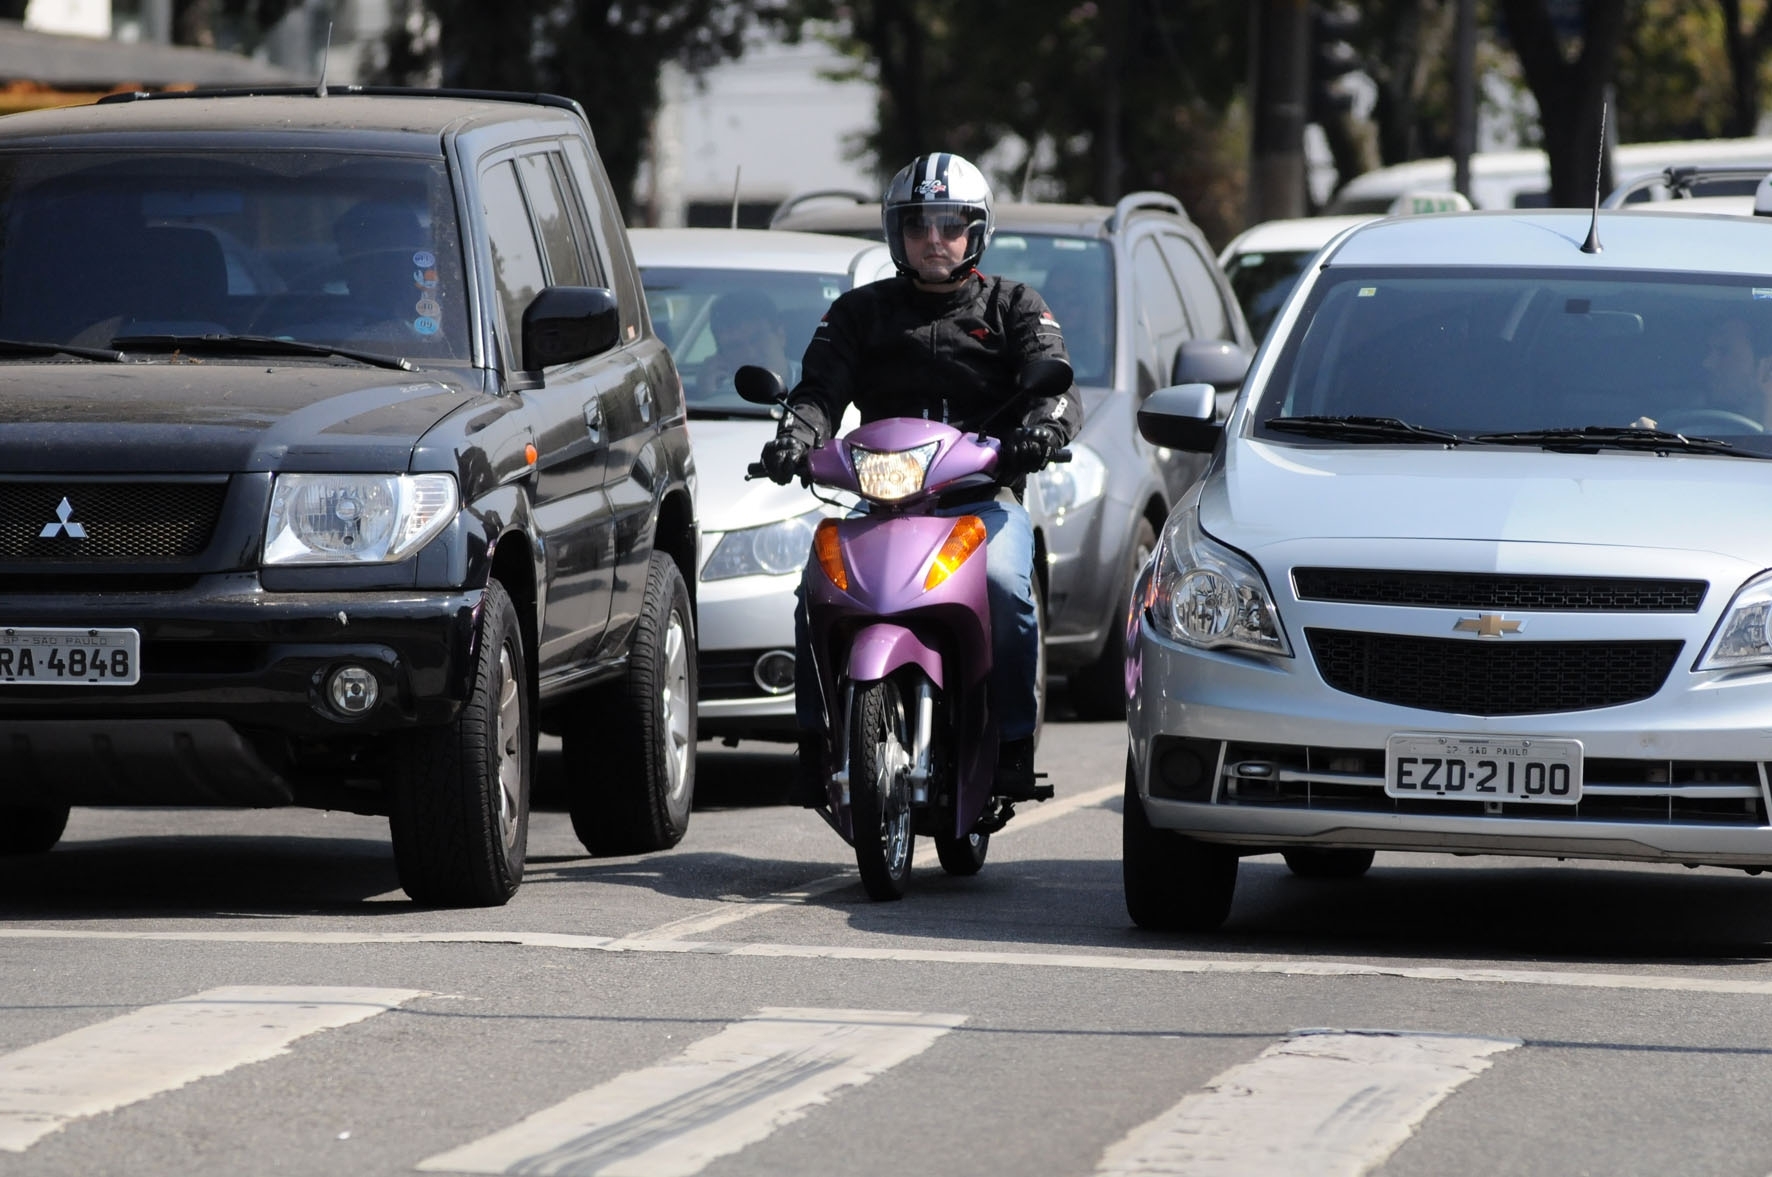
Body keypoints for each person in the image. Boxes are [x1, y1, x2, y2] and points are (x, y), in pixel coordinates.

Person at [758, 151, 1083, 803]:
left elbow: (1057, 390)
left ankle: (1013, 744)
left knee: (1005, 585)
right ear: (895, 233)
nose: (934, 238)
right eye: (917, 224)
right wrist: (795, 438)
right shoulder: (858, 312)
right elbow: (818, 392)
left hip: (980, 501)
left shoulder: (1015, 305)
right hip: (882, 504)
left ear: (976, 232)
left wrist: (1042, 432)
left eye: (951, 224)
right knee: (815, 587)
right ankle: (814, 743)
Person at [702, 291, 796, 399]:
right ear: (721, 355)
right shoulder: (719, 394)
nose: (751, 354)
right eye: (735, 346)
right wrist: (711, 397)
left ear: (780, 336)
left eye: (757, 339)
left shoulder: (811, 384)